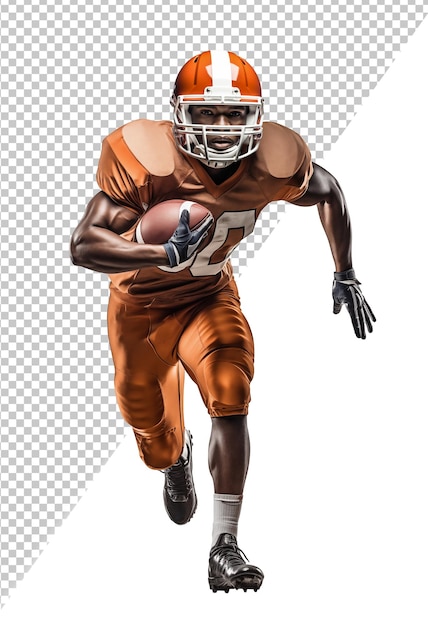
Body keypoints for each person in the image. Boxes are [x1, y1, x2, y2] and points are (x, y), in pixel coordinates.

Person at [70, 50, 376, 593]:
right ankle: (174, 460)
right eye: (208, 113)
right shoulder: (147, 161)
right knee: (152, 436)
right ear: (179, 115)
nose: (222, 127)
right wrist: (155, 256)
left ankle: (225, 546)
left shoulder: (273, 162)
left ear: (256, 117)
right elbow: (84, 245)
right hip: (139, 311)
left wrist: (345, 271)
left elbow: (328, 192)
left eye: (235, 115)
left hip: (209, 299)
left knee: (231, 392)